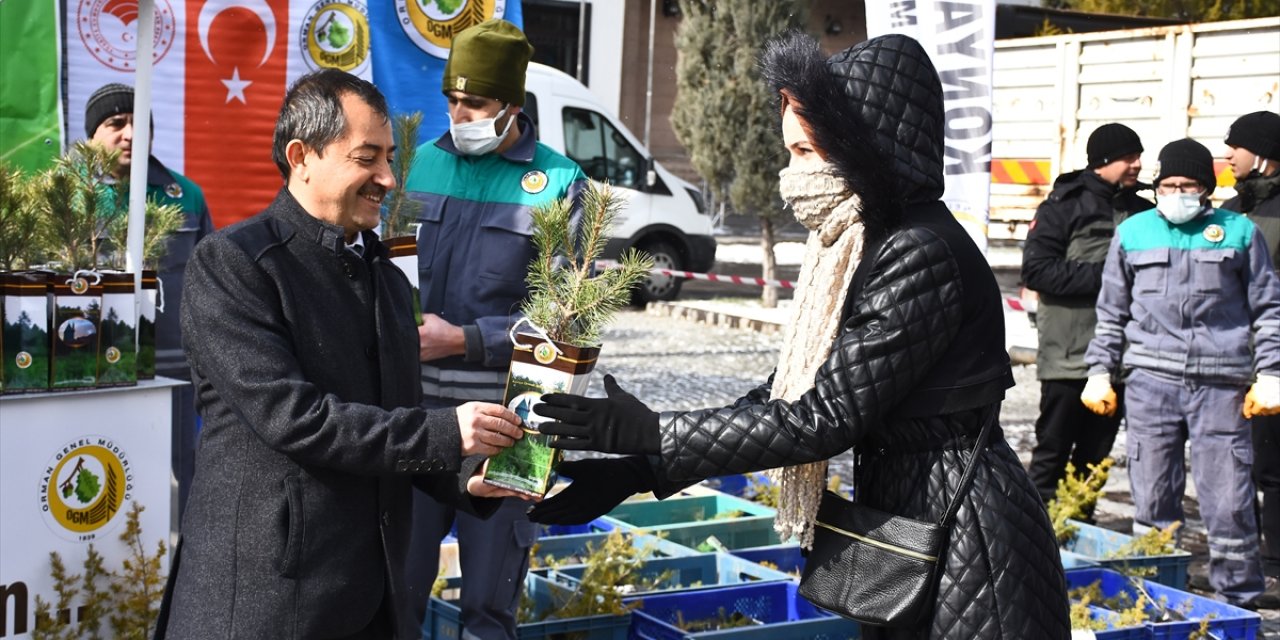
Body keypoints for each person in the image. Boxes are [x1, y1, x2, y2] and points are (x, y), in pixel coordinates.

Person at [527, 32, 1071, 639]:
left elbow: (823, 416)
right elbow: (793, 389)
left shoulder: (917, 251)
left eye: (809, 153)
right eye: (790, 154)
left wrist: (655, 431)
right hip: (917, 518)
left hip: (969, 541)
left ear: (869, 147)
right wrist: (644, 466)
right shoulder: (862, 242)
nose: (794, 176)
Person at [154, 69, 529, 640]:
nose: (387, 177)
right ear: (302, 155)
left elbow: (395, 412)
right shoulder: (235, 265)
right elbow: (297, 419)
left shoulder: (381, 271)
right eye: (367, 158)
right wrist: (449, 434)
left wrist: (467, 480)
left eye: (390, 158)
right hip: (267, 602)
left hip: (371, 595)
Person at [400, 19, 589, 639]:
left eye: (475, 103)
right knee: (395, 593)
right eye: (452, 101)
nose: (459, 114)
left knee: (487, 606)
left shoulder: (560, 185)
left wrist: (464, 339)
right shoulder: (415, 165)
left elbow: (563, 319)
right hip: (413, 420)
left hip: (509, 422)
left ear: (511, 106)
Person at [1081, 137, 1280, 608]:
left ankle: (1239, 601)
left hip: (1222, 386)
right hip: (1151, 384)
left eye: (1188, 185)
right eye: (1168, 185)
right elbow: (1111, 311)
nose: (1177, 193)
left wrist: (1271, 372)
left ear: (1207, 189)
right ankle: (1155, 595)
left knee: (1230, 503)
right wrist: (1099, 371)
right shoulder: (1133, 233)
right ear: (1156, 187)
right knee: (1151, 502)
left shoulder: (1240, 232)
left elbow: (1268, 309)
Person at [84, 83, 215, 518]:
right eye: (116, 124)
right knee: (102, 473)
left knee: (186, 477)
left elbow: (211, 285)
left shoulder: (186, 196)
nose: (130, 133)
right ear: (91, 138)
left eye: (140, 124)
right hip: (95, 371)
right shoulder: (71, 198)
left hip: (174, 368)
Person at [1021, 123, 1152, 512]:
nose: (1138, 165)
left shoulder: (1143, 211)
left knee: (1094, 460)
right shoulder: (1063, 206)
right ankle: (1038, 535)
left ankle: (1079, 533)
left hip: (1119, 357)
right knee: (1052, 452)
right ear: (1105, 161)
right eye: (1130, 157)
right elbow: (1037, 271)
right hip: (1068, 356)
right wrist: (1110, 276)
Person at [1222, 110, 1280, 607]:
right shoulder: (1233, 207)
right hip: (1237, 359)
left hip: (1273, 360)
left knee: (1275, 466)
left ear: (1262, 152)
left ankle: (1276, 563)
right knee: (1246, 461)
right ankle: (1252, 558)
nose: (1227, 155)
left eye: (1235, 147)